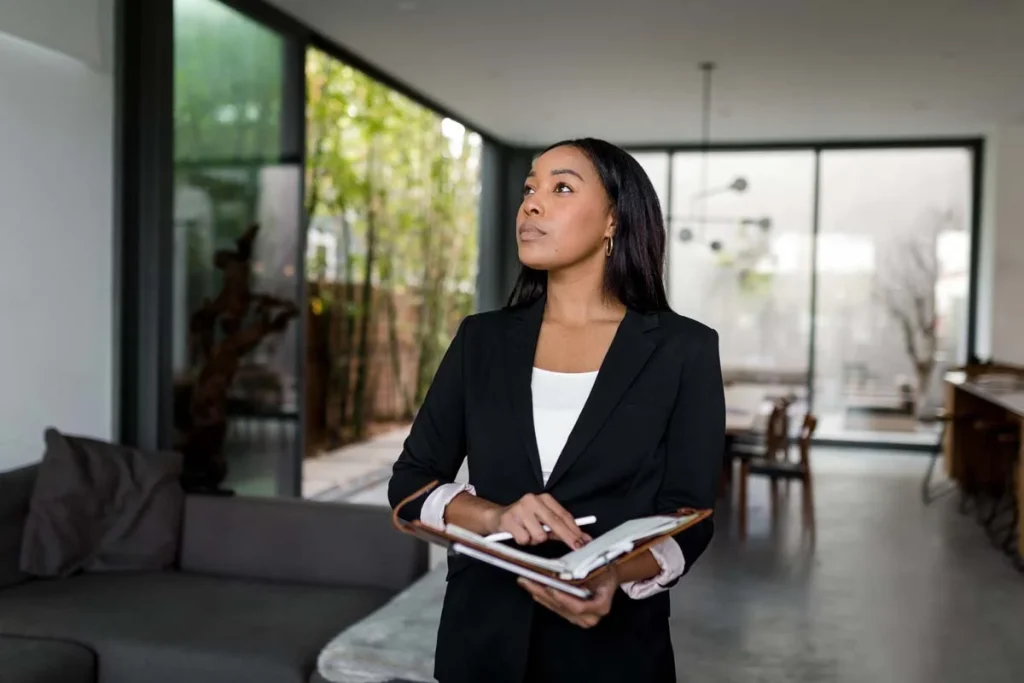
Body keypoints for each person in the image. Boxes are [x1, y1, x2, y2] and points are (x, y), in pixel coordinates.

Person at [388, 138, 725, 683]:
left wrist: (614, 575)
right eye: (529, 189)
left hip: (616, 657)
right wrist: (494, 517)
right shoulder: (480, 340)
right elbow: (410, 482)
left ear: (614, 219)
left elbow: (689, 517)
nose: (532, 204)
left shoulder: (684, 349)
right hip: (480, 646)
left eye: (561, 187)